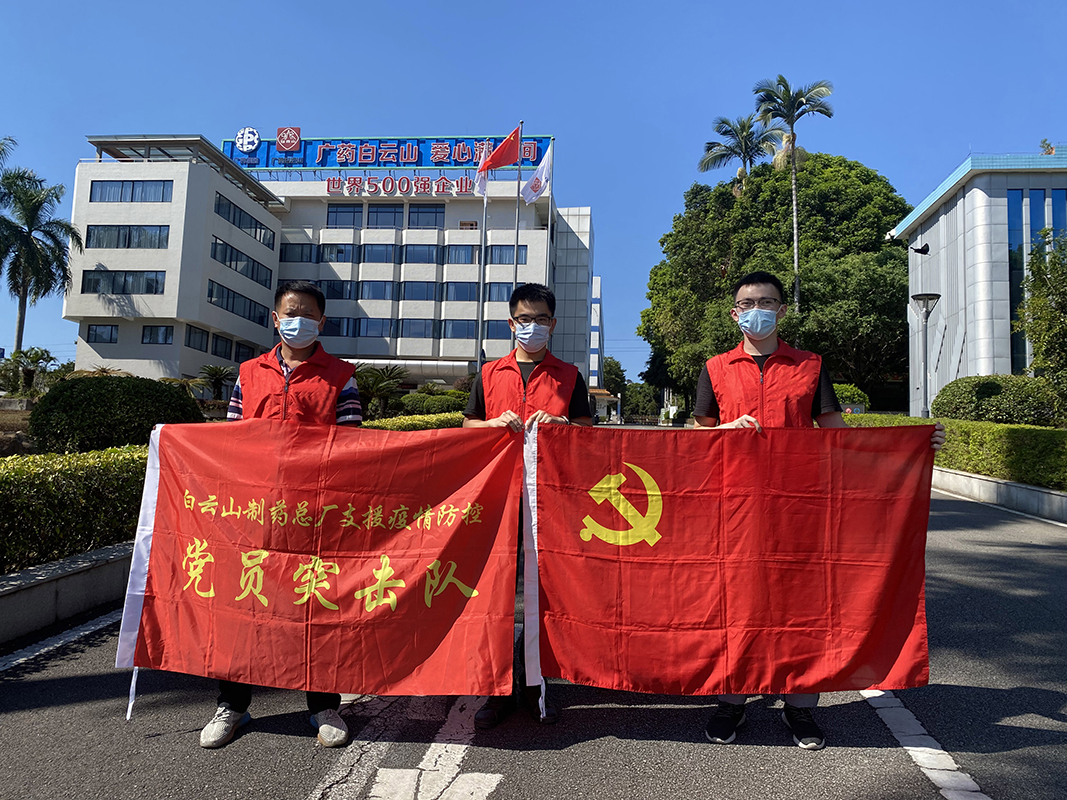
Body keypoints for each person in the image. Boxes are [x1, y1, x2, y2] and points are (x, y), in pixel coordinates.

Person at [693, 271, 945, 751]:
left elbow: (837, 433)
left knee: (803, 607)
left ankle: (801, 707)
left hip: (801, 509)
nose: (756, 310)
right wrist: (726, 431)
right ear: (734, 312)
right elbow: (698, 436)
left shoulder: (809, 365)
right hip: (734, 510)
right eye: (747, 303)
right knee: (735, 605)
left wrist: (911, 444)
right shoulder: (715, 367)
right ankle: (731, 702)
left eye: (767, 302)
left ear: (783, 310)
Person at [199, 280, 362, 749]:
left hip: (315, 515)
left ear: (322, 322)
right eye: (291, 312)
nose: (299, 321)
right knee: (242, 609)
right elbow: (230, 443)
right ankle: (232, 706)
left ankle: (323, 706)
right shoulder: (249, 373)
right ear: (275, 318)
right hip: (253, 514)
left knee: (317, 608)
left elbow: (352, 448)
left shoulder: (340, 376)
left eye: (309, 314)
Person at [463, 282, 593, 729]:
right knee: (497, 595)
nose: (531, 326)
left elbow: (587, 432)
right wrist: (490, 425)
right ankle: (495, 689)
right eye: (523, 318)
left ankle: (538, 684)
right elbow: (468, 425)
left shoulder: (569, 376)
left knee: (543, 597)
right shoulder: (488, 373)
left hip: (549, 502)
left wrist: (562, 425)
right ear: (510, 322)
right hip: (497, 500)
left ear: (552, 325)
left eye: (540, 319)